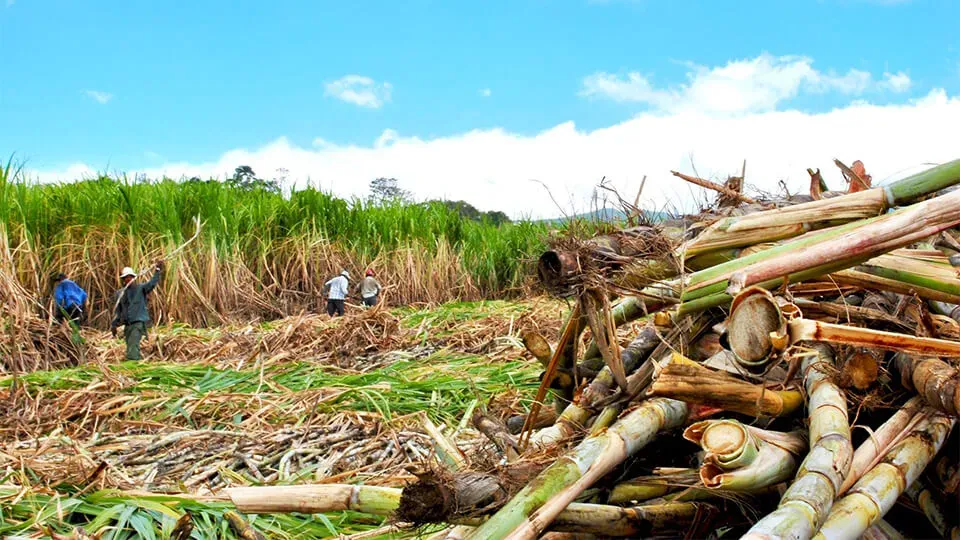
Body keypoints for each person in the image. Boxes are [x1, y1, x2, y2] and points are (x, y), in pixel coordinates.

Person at [111, 261, 163, 361]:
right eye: (126, 277)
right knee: (130, 345)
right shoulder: (120, 293)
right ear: (123, 280)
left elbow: (152, 284)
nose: (128, 279)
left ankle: (134, 365)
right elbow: (118, 310)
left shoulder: (141, 288)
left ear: (133, 277)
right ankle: (136, 362)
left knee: (133, 345)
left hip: (137, 323)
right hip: (127, 325)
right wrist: (114, 324)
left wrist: (157, 271)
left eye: (130, 277)